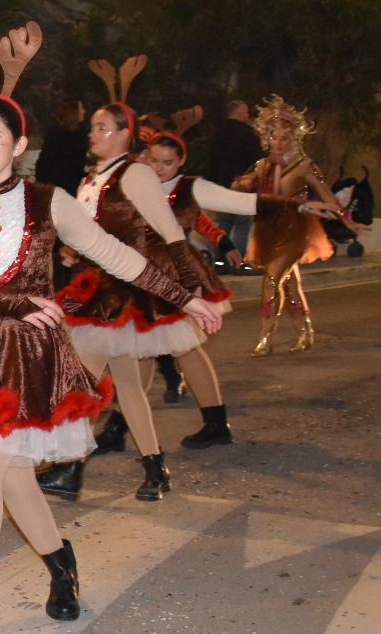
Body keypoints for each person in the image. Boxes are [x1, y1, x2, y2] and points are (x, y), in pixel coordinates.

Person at [0, 61, 219, 634]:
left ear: (19, 145)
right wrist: (15, 304)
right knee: (12, 475)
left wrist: (185, 297)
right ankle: (60, 563)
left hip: (30, 357)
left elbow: (116, 254)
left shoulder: (49, 200)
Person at [38, 103, 229, 503]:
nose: (93, 133)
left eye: (102, 127)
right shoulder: (94, 177)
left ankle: (70, 467)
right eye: (93, 126)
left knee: (81, 379)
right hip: (96, 289)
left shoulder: (135, 173)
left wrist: (191, 287)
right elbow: (93, 232)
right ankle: (155, 469)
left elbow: (171, 231)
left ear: (125, 133)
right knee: (126, 387)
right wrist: (73, 251)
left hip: (125, 293)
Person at [125, 133, 339, 449]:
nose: (159, 168)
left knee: (181, 348)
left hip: (177, 275)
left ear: (182, 161)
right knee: (140, 349)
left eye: (167, 162)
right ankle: (121, 426)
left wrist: (302, 205)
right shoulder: (135, 184)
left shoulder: (190, 187)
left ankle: (213, 424)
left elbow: (246, 202)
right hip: (141, 275)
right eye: (154, 160)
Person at [232, 95, 355, 356]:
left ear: (294, 139)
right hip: (268, 230)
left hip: (294, 230)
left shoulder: (304, 166)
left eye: (285, 138)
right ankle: (305, 332)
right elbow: (241, 186)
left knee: (272, 279)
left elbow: (327, 196)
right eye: (274, 137)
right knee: (289, 285)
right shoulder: (262, 166)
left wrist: (348, 221)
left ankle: (266, 337)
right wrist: (240, 184)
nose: (278, 143)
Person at [209, 100, 264, 266]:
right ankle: (237, 260)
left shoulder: (216, 133)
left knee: (224, 223)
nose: (247, 116)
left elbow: (211, 161)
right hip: (241, 184)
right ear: (240, 113)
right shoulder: (247, 134)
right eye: (246, 112)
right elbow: (258, 161)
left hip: (220, 184)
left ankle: (221, 259)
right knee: (242, 222)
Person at [34, 99, 88, 195]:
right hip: (57, 190)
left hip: (71, 189)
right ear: (73, 112)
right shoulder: (57, 135)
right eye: (81, 108)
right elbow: (44, 163)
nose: (84, 111)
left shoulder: (81, 134)